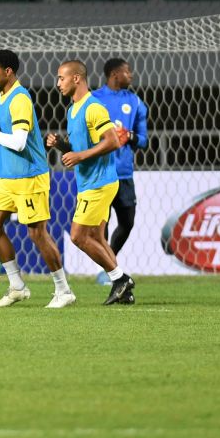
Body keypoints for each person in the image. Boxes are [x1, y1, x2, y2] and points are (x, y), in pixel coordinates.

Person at [0, 49, 76, 309]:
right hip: (7, 177)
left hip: (30, 176)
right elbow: (10, 135)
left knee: (37, 235)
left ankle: (63, 290)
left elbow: (20, 143)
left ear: (8, 71)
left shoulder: (20, 98)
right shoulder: (2, 96)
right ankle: (17, 286)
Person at [46, 60, 136, 305]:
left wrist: (80, 156)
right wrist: (62, 146)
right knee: (96, 238)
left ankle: (120, 279)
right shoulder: (73, 109)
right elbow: (80, 148)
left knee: (78, 236)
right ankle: (124, 291)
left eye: (61, 78)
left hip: (100, 182)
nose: (58, 84)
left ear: (76, 78)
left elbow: (112, 142)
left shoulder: (93, 107)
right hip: (89, 182)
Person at [92, 58, 148, 284]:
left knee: (128, 222)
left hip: (124, 174)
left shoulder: (135, 102)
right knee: (100, 226)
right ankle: (109, 271)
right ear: (115, 74)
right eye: (127, 72)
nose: (131, 76)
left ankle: (110, 262)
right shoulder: (94, 99)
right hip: (101, 173)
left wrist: (130, 136)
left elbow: (143, 140)